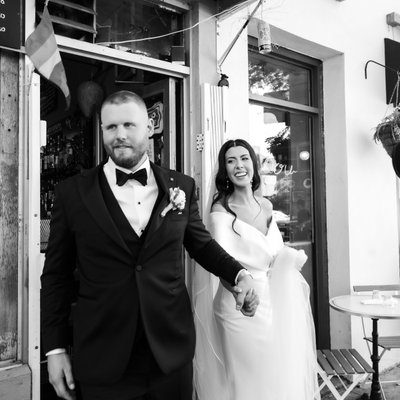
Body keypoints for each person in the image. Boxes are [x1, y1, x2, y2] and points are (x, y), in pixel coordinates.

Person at [40, 91, 259, 400]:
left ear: (150, 126)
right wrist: (55, 347)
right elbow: (56, 276)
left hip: (170, 354)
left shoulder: (181, 186)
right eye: (110, 127)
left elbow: (201, 245)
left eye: (129, 125)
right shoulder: (72, 194)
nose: (120, 135)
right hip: (102, 356)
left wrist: (239, 274)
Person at [193, 139, 320, 400]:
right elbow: (220, 265)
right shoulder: (220, 211)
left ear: (253, 163)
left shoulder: (267, 206)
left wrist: (289, 259)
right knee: (246, 383)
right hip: (238, 306)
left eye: (244, 158)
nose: (239, 165)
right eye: (231, 161)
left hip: (273, 304)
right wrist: (243, 294)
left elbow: (273, 256)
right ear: (224, 171)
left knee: (272, 377)